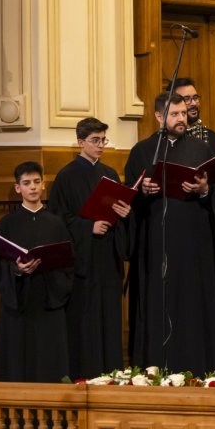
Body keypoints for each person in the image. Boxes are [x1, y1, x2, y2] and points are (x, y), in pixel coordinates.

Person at [124, 92, 215, 374]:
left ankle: (196, 366)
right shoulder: (142, 151)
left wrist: (204, 190)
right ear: (158, 117)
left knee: (191, 300)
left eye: (183, 113)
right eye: (175, 114)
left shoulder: (202, 149)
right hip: (156, 238)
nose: (182, 119)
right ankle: (155, 364)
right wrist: (142, 192)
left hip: (193, 239)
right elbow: (127, 197)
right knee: (158, 299)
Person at [47, 117, 129, 378]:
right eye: (95, 140)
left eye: (103, 140)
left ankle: (112, 376)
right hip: (83, 263)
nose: (101, 145)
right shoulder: (66, 177)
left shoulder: (110, 174)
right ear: (81, 142)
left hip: (107, 258)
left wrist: (125, 212)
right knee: (86, 324)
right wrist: (88, 228)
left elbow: (119, 211)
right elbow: (59, 220)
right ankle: (85, 376)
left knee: (109, 322)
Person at [0, 161, 73, 382]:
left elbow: (68, 262)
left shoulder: (56, 223)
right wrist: (16, 269)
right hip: (19, 301)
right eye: (27, 183)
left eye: (37, 182)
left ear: (43, 185)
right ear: (18, 188)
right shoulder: (8, 223)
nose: (33, 187)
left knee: (50, 359)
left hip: (49, 298)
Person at [171, 78, 215, 156]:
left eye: (195, 98)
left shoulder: (213, 138)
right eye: (186, 99)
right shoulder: (164, 141)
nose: (193, 103)